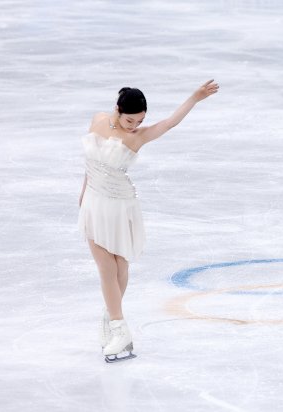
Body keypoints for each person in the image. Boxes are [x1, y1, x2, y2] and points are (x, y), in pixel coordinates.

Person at [78, 80, 219, 362]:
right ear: (117, 110)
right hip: (94, 201)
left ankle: (115, 322)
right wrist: (83, 192)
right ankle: (116, 324)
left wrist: (194, 97)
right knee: (106, 266)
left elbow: (169, 123)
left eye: (140, 120)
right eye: (130, 120)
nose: (134, 125)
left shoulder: (138, 137)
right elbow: (90, 164)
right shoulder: (98, 120)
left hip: (121, 205)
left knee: (119, 265)